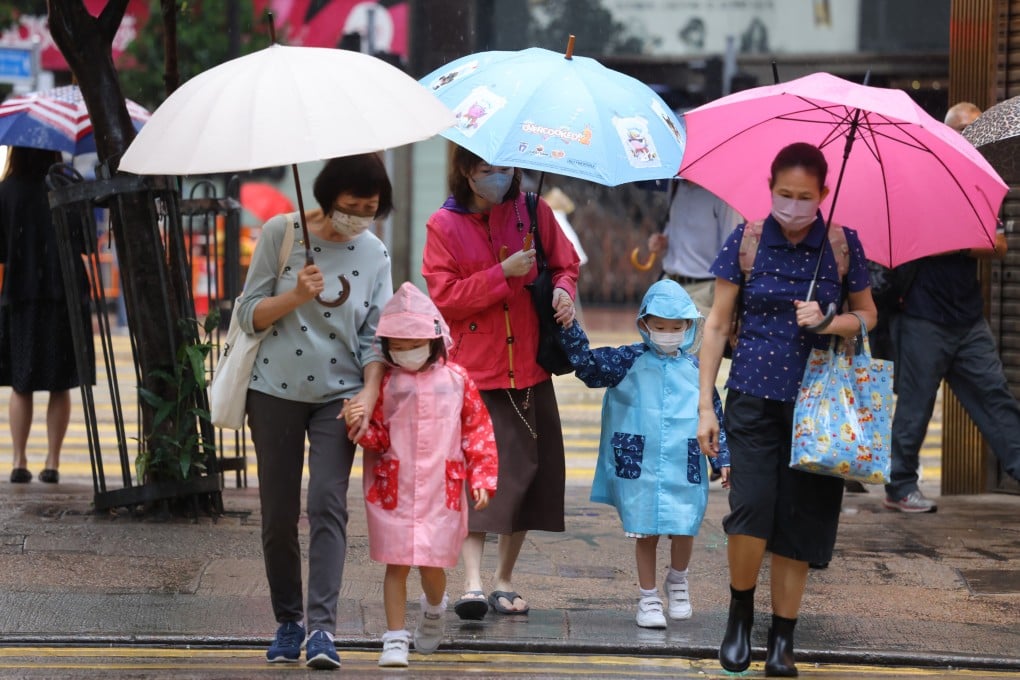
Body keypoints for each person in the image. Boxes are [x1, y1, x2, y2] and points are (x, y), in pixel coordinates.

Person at [697, 142, 877, 676]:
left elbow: (868, 315)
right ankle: (739, 616)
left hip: (819, 406)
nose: (793, 206)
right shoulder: (748, 240)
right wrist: (705, 404)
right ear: (770, 189)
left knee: (801, 522)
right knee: (750, 510)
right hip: (752, 396)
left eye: (804, 197)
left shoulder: (844, 245)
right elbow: (715, 323)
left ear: (823, 195)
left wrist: (829, 322)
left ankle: (782, 638)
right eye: (784, 194)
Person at [234, 153, 394, 670]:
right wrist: (294, 296)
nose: (359, 217)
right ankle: (288, 621)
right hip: (274, 390)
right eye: (351, 207)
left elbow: (376, 337)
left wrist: (370, 393)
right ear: (327, 199)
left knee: (328, 502)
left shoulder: (374, 254)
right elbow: (247, 313)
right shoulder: (281, 234)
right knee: (279, 515)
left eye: (370, 209)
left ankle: (323, 627)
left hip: (339, 396)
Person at [422, 145, 580, 620]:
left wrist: (561, 291)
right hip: (476, 376)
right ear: (466, 173)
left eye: (505, 169)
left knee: (526, 479)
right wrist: (501, 274)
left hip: (530, 369)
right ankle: (471, 584)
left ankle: (503, 580)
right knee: (480, 480)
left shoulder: (533, 211)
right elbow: (444, 298)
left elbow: (567, 264)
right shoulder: (442, 226)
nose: (499, 178)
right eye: (487, 170)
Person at [342, 282, 499, 667]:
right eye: (397, 344)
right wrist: (357, 425)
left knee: (432, 566)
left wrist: (481, 477)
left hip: (437, 492)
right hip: (394, 490)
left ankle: (433, 609)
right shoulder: (388, 385)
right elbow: (377, 437)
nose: (405, 351)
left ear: (434, 340)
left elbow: (477, 431)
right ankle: (394, 638)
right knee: (396, 565)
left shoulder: (457, 381)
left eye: (413, 343)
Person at [558, 278, 730, 629]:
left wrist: (722, 457)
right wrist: (569, 326)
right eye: (660, 326)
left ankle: (678, 581)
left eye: (676, 327)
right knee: (645, 531)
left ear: (688, 326)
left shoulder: (699, 369)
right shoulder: (626, 360)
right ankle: (648, 597)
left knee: (685, 526)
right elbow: (588, 368)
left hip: (684, 463)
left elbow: (713, 412)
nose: (667, 333)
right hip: (642, 465)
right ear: (645, 325)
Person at [883, 103, 1020, 513]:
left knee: (994, 396)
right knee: (916, 403)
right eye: (967, 130)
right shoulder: (921, 181)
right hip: (923, 314)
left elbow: (997, 245)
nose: (974, 138)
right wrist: (957, 234)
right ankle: (900, 485)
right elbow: (908, 239)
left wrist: (958, 236)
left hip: (967, 316)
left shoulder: (980, 186)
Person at [0, 146, 94, 485]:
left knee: (21, 385)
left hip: (21, 295)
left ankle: (18, 460)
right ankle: (52, 461)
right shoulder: (66, 187)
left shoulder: (6, 191)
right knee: (60, 381)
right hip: (64, 293)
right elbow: (87, 243)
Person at [647, 178, 742, 320]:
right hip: (670, 285)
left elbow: (732, 249)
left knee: (698, 341)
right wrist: (664, 241)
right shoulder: (675, 186)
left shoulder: (724, 195)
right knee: (662, 340)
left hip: (704, 290)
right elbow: (675, 228)